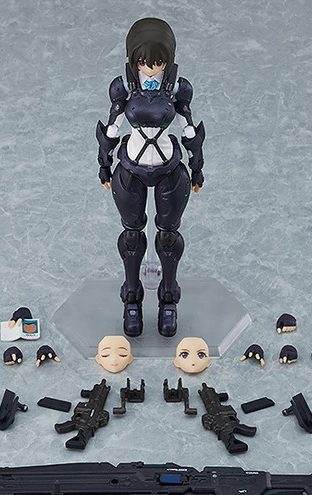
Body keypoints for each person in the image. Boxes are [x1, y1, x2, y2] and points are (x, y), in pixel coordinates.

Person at [96, 17, 205, 338]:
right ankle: (132, 298)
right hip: (131, 168)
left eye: (158, 61)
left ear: (168, 59)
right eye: (144, 60)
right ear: (134, 59)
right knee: (132, 236)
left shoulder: (178, 89)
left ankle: (168, 298)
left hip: (169, 166)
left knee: (168, 236)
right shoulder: (123, 88)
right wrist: (104, 164)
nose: (151, 67)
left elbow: (190, 130)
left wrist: (197, 167)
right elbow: (111, 129)